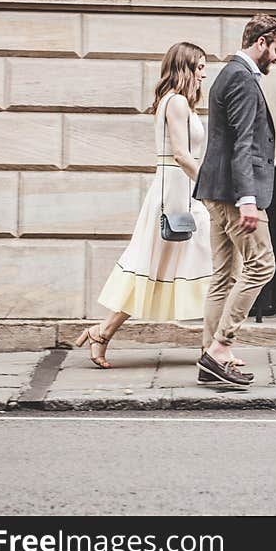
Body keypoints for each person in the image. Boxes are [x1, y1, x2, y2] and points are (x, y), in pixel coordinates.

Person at [74, 41, 215, 369]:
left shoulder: (175, 101)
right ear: (185, 67)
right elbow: (180, 154)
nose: (204, 74)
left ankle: (103, 332)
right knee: (161, 267)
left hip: (180, 190)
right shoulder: (177, 102)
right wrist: (209, 187)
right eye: (200, 67)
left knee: (169, 267)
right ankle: (216, 346)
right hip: (177, 194)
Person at [194, 13, 276, 387]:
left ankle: (209, 356)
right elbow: (244, 144)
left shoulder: (228, 75)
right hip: (235, 194)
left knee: (224, 276)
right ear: (260, 42)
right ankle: (220, 347)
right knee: (262, 265)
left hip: (215, 190)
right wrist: (248, 199)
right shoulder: (244, 80)